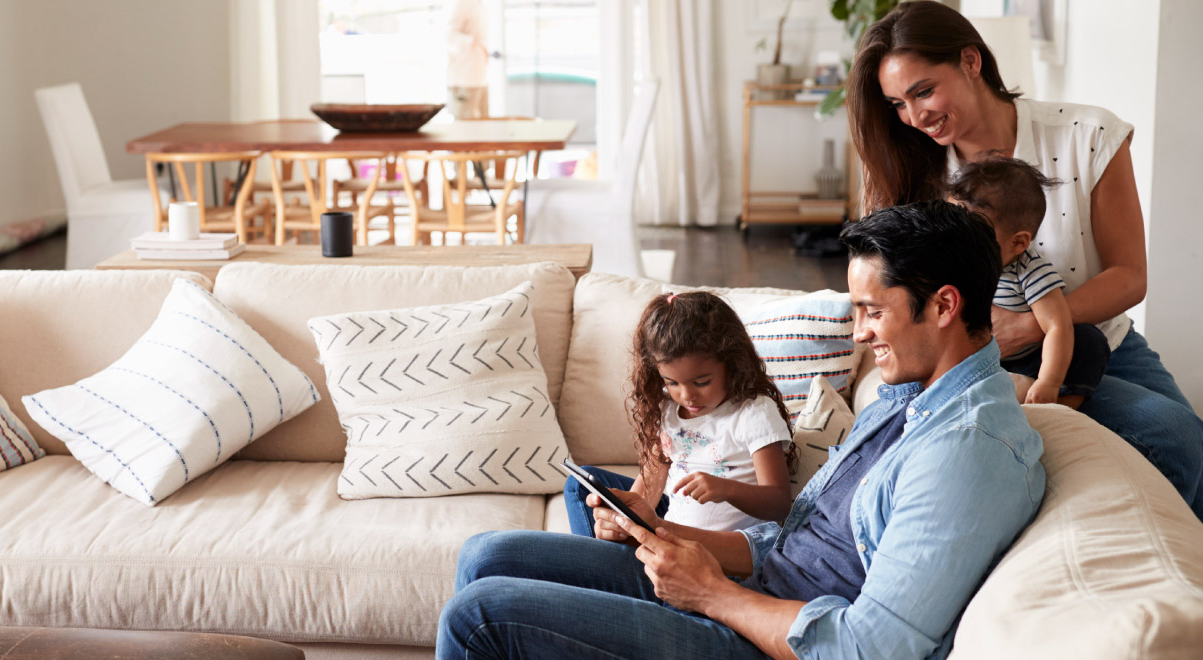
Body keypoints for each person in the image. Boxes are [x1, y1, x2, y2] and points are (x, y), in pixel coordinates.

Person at [437, 201, 1044, 660]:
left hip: (763, 636)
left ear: (943, 306)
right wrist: (660, 531)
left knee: (480, 616)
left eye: (873, 311)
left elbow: (871, 647)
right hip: (750, 586)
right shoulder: (905, 397)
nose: (859, 333)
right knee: (487, 554)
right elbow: (791, 539)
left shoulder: (968, 452)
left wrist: (710, 594)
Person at [848, 0, 1203, 517]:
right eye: (898, 103)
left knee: (1183, 440)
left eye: (923, 90)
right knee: (1170, 436)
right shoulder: (914, 170)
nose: (914, 116)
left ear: (972, 61)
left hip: (1098, 339)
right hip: (974, 356)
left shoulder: (1089, 135)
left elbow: (1129, 276)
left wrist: (1037, 325)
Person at [564, 291, 794, 538]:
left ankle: (601, 563)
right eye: (672, 383)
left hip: (716, 550)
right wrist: (624, 523)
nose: (687, 396)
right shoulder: (668, 410)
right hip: (669, 533)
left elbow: (780, 503)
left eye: (702, 382)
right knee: (580, 486)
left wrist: (726, 489)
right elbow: (646, 494)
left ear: (732, 363)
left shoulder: (753, 413)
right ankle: (604, 557)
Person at [948, 157, 1108, 409]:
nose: (958, 244)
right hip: (977, 362)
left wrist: (1048, 381)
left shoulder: (1029, 271)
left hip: (1029, 363)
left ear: (1018, 243)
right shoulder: (952, 264)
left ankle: (1062, 406)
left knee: (1087, 339)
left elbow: (1058, 326)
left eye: (973, 235)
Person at [445, 0, 489, 120]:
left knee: (484, 127)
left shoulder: (480, 5)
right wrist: (473, 43)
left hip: (480, 78)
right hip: (464, 80)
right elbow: (449, 34)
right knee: (466, 129)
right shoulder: (462, 3)